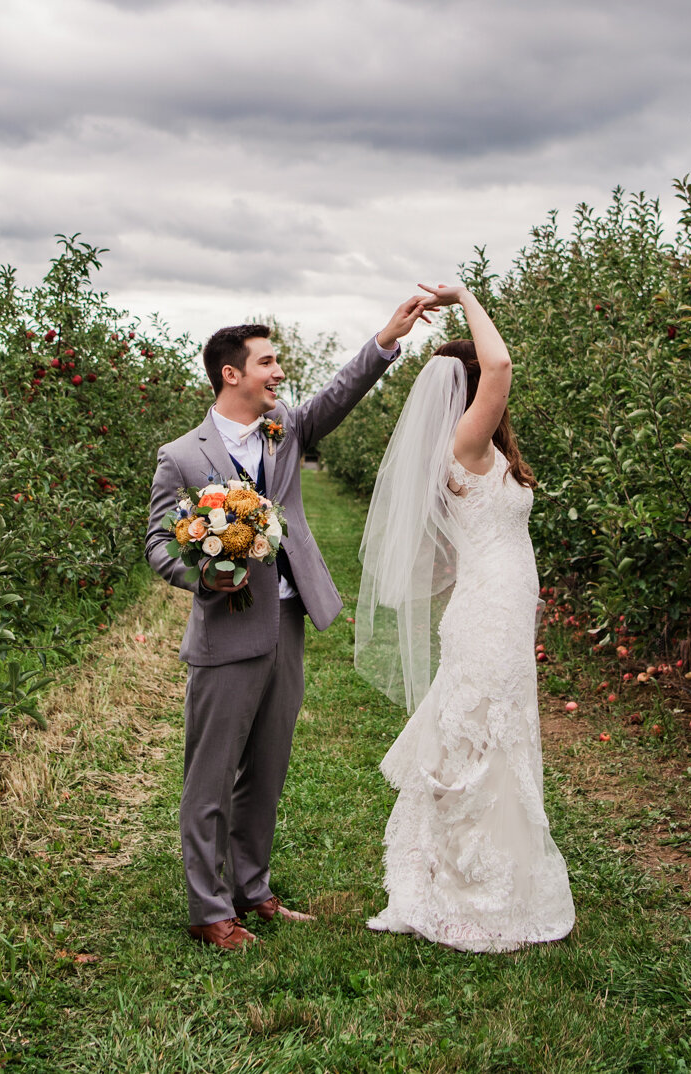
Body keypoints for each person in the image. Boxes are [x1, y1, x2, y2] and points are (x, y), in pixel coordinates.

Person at [144, 294, 441, 951]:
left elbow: (341, 392)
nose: (279, 372)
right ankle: (208, 908)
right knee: (211, 776)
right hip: (226, 628)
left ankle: (253, 888)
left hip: (285, 620)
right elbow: (158, 546)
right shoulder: (182, 457)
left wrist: (387, 338)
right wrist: (205, 574)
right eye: (268, 361)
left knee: (268, 766)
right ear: (231, 374)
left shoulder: (284, 428)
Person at [357, 283, 574, 952]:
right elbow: (501, 367)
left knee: (489, 736)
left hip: (499, 610)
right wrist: (466, 296)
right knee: (480, 741)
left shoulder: (486, 452)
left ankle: (478, 870)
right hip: (488, 614)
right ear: (475, 391)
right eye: (488, 388)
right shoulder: (466, 445)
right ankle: (466, 885)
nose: (501, 393)